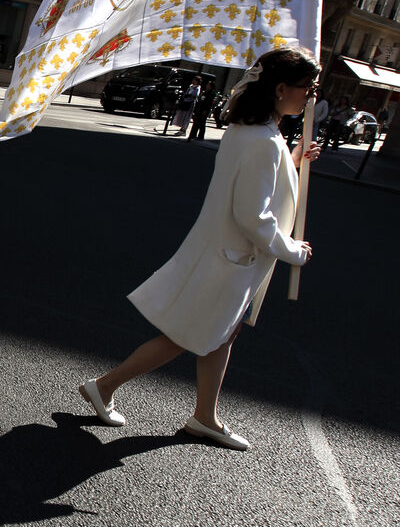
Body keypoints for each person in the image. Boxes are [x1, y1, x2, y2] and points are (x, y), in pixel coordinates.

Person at [77, 47, 321, 451]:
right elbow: (252, 215)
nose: (311, 95)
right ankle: (105, 386)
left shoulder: (251, 131)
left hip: (225, 257)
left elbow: (254, 184)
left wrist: (293, 160)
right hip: (231, 261)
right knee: (187, 335)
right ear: (281, 88)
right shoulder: (263, 139)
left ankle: (204, 416)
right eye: (307, 87)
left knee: (217, 336)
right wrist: (292, 250)